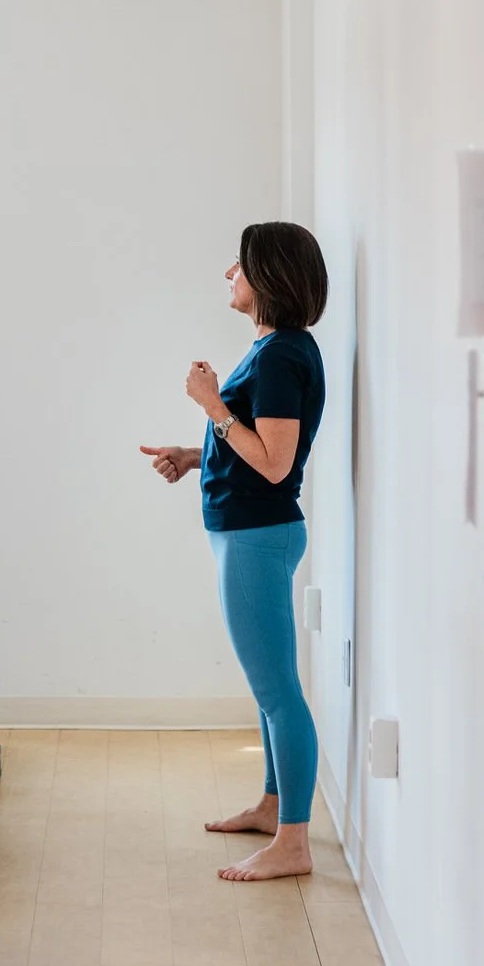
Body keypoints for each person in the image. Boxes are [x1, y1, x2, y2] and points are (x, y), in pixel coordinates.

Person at [141, 222, 328, 881]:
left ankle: (294, 842)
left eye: (240, 264)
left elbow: (275, 463)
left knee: (278, 691)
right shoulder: (277, 349)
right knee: (268, 687)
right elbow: (257, 447)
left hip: (257, 535)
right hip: (250, 532)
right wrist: (195, 455)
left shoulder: (279, 356)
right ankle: (274, 807)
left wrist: (211, 406)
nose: (229, 272)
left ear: (269, 276)